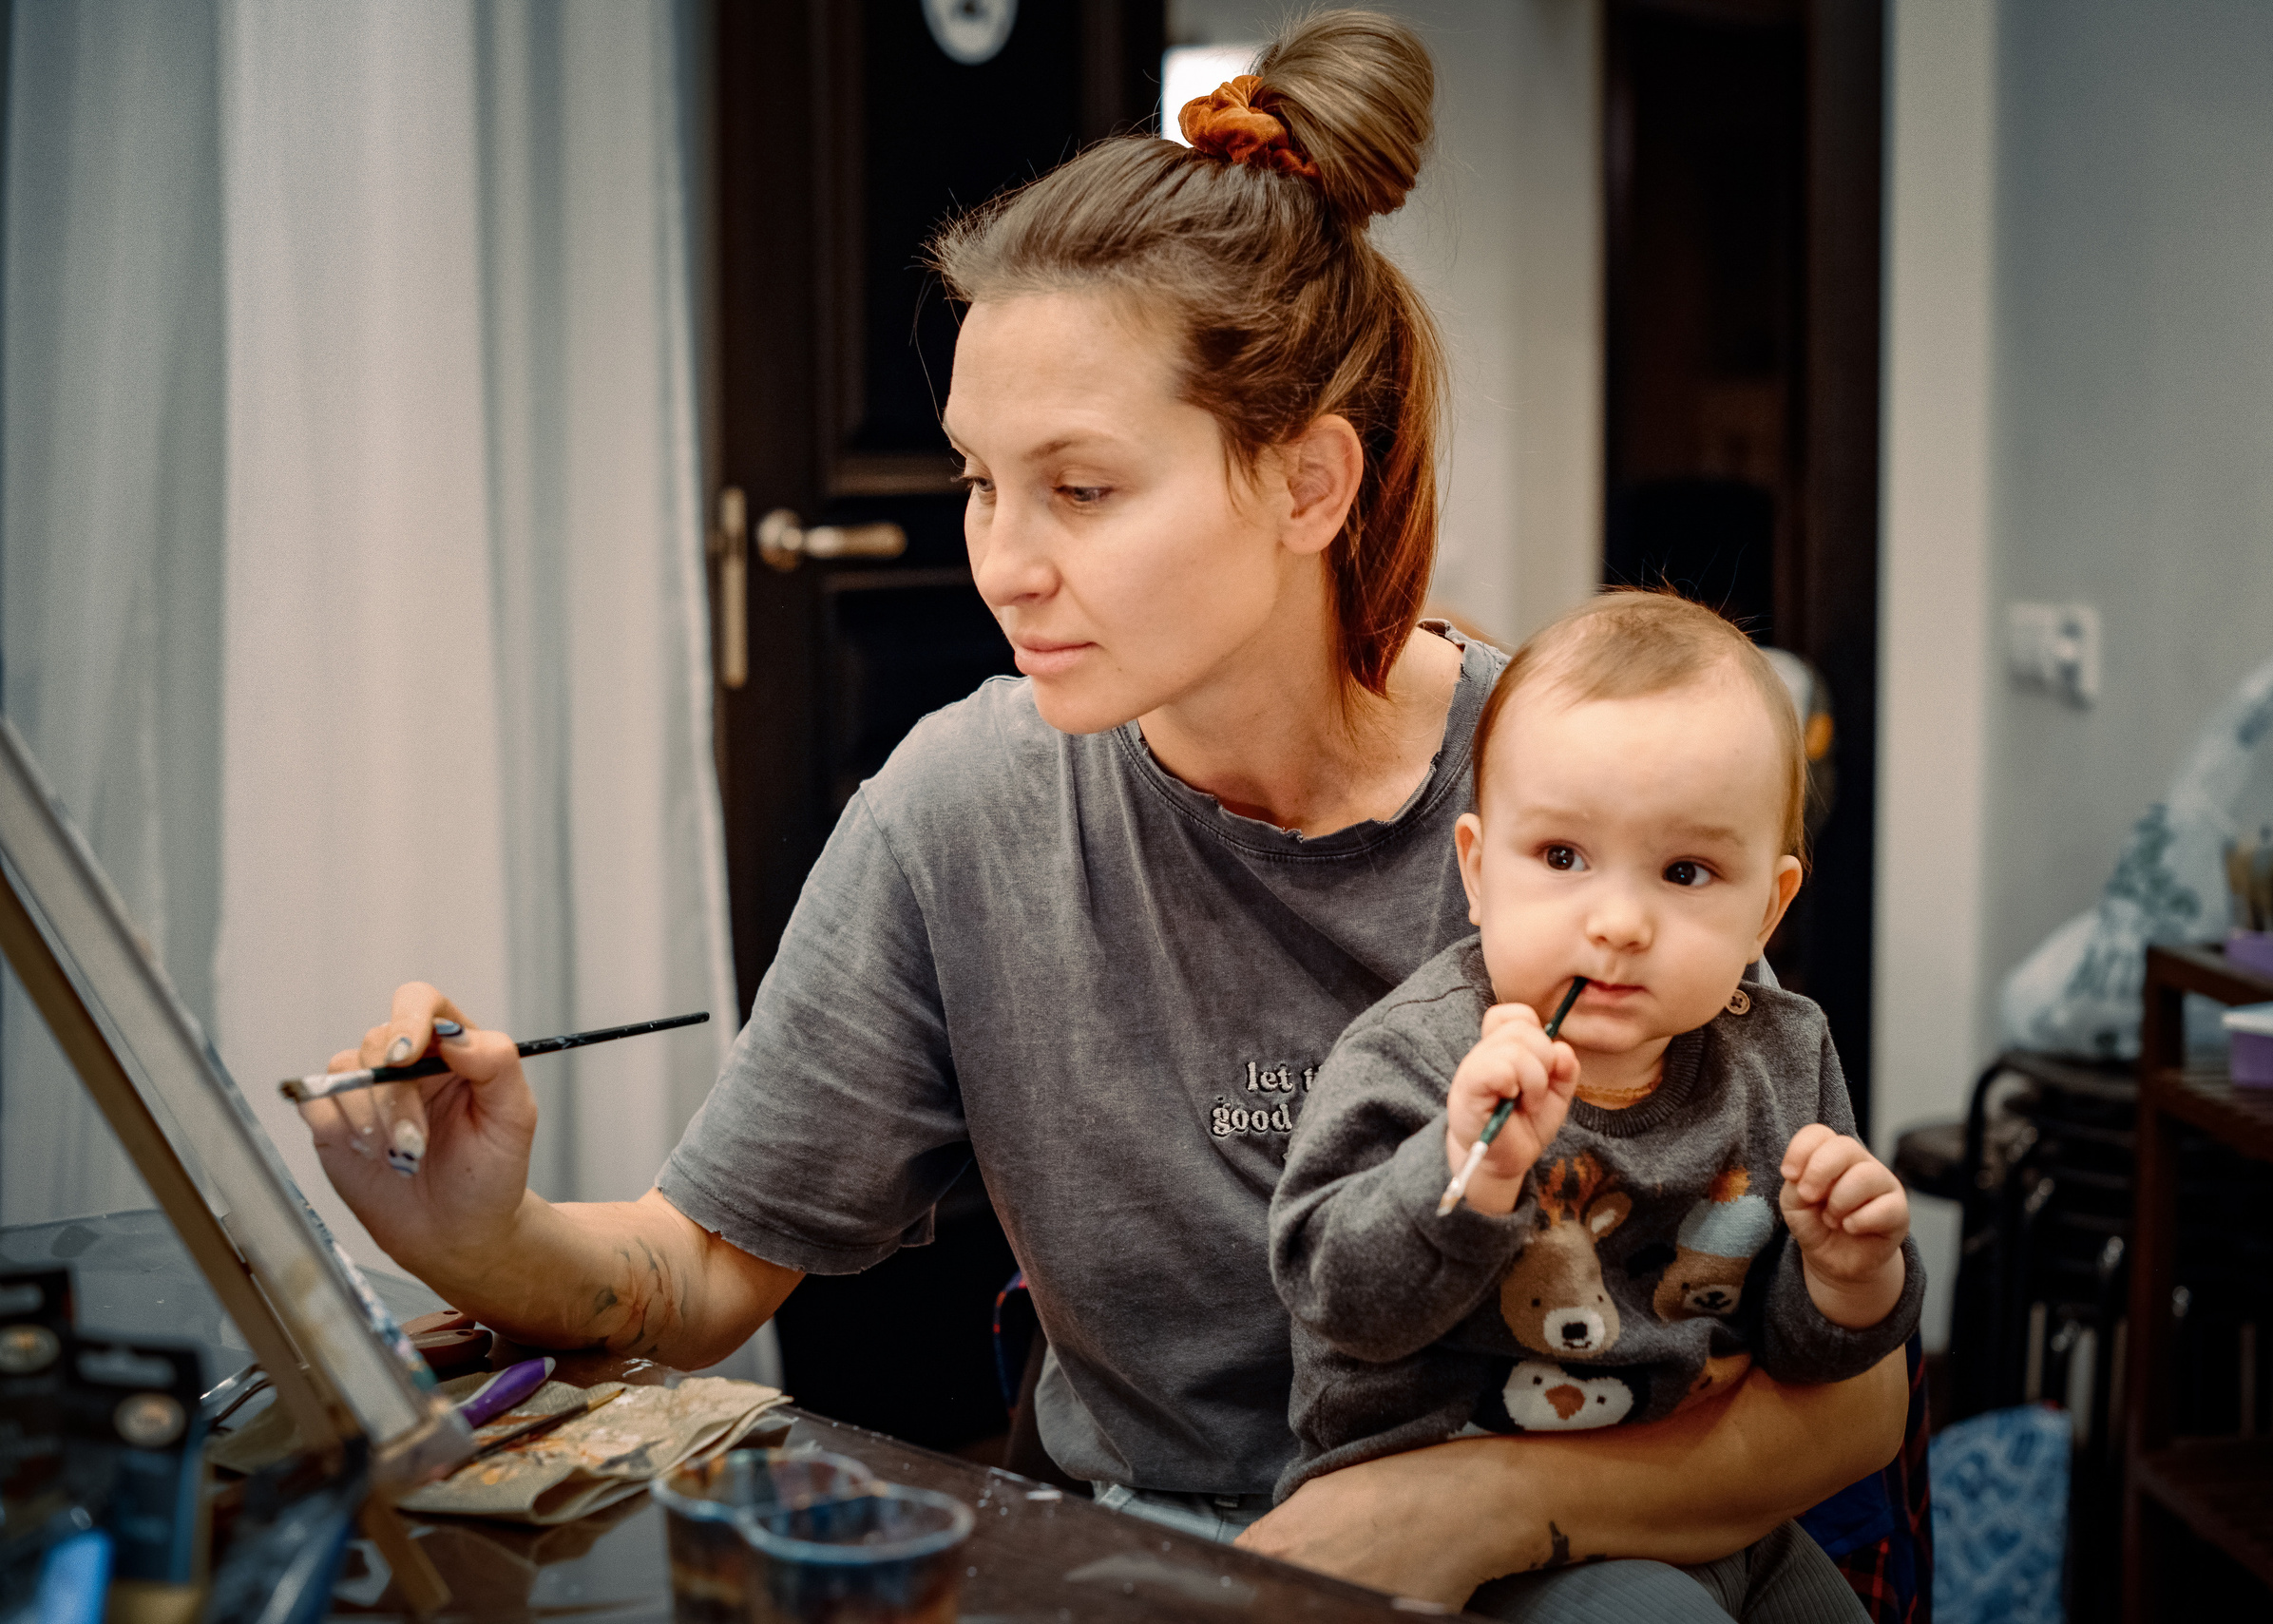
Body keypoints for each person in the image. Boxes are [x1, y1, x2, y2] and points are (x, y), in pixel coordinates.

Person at [296, 11, 1905, 1613]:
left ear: (1308, 486)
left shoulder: (1577, 802)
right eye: (979, 481)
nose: (1003, 558)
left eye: (1080, 486)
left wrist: (1482, 1499)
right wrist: (477, 1228)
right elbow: (701, 1269)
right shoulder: (962, 808)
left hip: (1585, 1552)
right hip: (1168, 1554)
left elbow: (1853, 1387)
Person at [1270, 591, 1920, 1621]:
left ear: (1769, 905)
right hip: (1469, 1544)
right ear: (1479, 871)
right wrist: (1465, 1173)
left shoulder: (1782, 1051)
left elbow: (1806, 1357)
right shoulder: (1420, 1053)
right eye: (1562, 857)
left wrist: (1850, 1275)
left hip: (1697, 1504)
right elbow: (1332, 1297)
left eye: (1685, 870)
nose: (1616, 922)